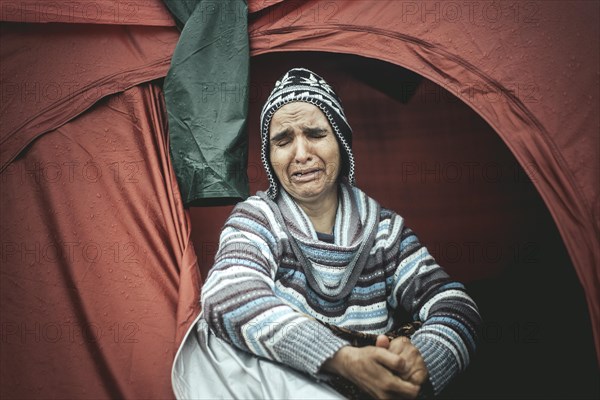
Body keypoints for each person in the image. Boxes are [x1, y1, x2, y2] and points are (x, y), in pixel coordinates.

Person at [171, 68, 481, 399]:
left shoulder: (385, 232)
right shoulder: (258, 218)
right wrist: (341, 359)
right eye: (283, 140)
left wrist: (422, 359)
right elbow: (227, 296)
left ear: (342, 144)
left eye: (316, 134)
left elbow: (456, 306)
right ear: (269, 157)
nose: (301, 154)